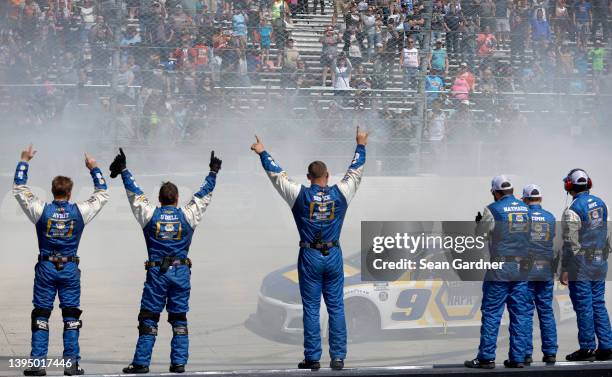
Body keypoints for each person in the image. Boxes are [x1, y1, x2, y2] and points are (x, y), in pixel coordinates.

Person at [250, 128, 368, 371]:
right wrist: (361, 145)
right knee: (336, 307)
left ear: (307, 176)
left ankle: (312, 358)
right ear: (328, 175)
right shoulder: (340, 192)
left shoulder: (299, 194)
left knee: (311, 309)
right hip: (334, 255)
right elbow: (355, 171)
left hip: (310, 255)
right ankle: (338, 357)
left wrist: (262, 152)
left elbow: (277, 174)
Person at [113, 148, 222, 374]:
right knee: (179, 319)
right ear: (177, 199)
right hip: (181, 274)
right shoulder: (188, 214)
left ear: (160, 199)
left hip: (157, 275)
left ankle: (142, 363)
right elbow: (204, 196)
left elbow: (134, 194)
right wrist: (213, 172)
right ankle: (179, 363)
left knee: (149, 318)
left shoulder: (150, 213)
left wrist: (124, 169)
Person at [13, 145, 109, 376]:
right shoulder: (79, 211)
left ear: (52, 191)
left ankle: (37, 365)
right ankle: (71, 364)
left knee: (41, 315)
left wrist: (24, 161)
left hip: (46, 267)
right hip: (69, 268)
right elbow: (102, 193)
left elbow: (18, 188)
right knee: (71, 317)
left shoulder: (40, 209)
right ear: (69, 193)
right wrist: (94, 168)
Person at [465, 175, 531, 369]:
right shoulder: (526, 208)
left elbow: (480, 236)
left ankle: (486, 357)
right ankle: (517, 358)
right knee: (520, 313)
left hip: (500, 268)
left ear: (496, 191)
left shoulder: (492, 209)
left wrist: (479, 224)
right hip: (522, 268)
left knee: (492, 313)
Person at [560, 168, 612, 361]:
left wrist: (566, 268)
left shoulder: (572, 210)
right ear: (588, 184)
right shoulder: (601, 203)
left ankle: (587, 348)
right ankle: (606, 346)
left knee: (584, 306)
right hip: (600, 260)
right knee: (598, 303)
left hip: (582, 263)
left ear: (569, 186)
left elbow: (570, 243)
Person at [521, 184, 558, 365]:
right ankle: (550, 352)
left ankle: (526, 353)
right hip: (546, 269)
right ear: (540, 199)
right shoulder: (550, 217)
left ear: (525, 199)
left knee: (525, 312)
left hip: (526, 269)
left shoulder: (522, 217)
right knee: (546, 311)